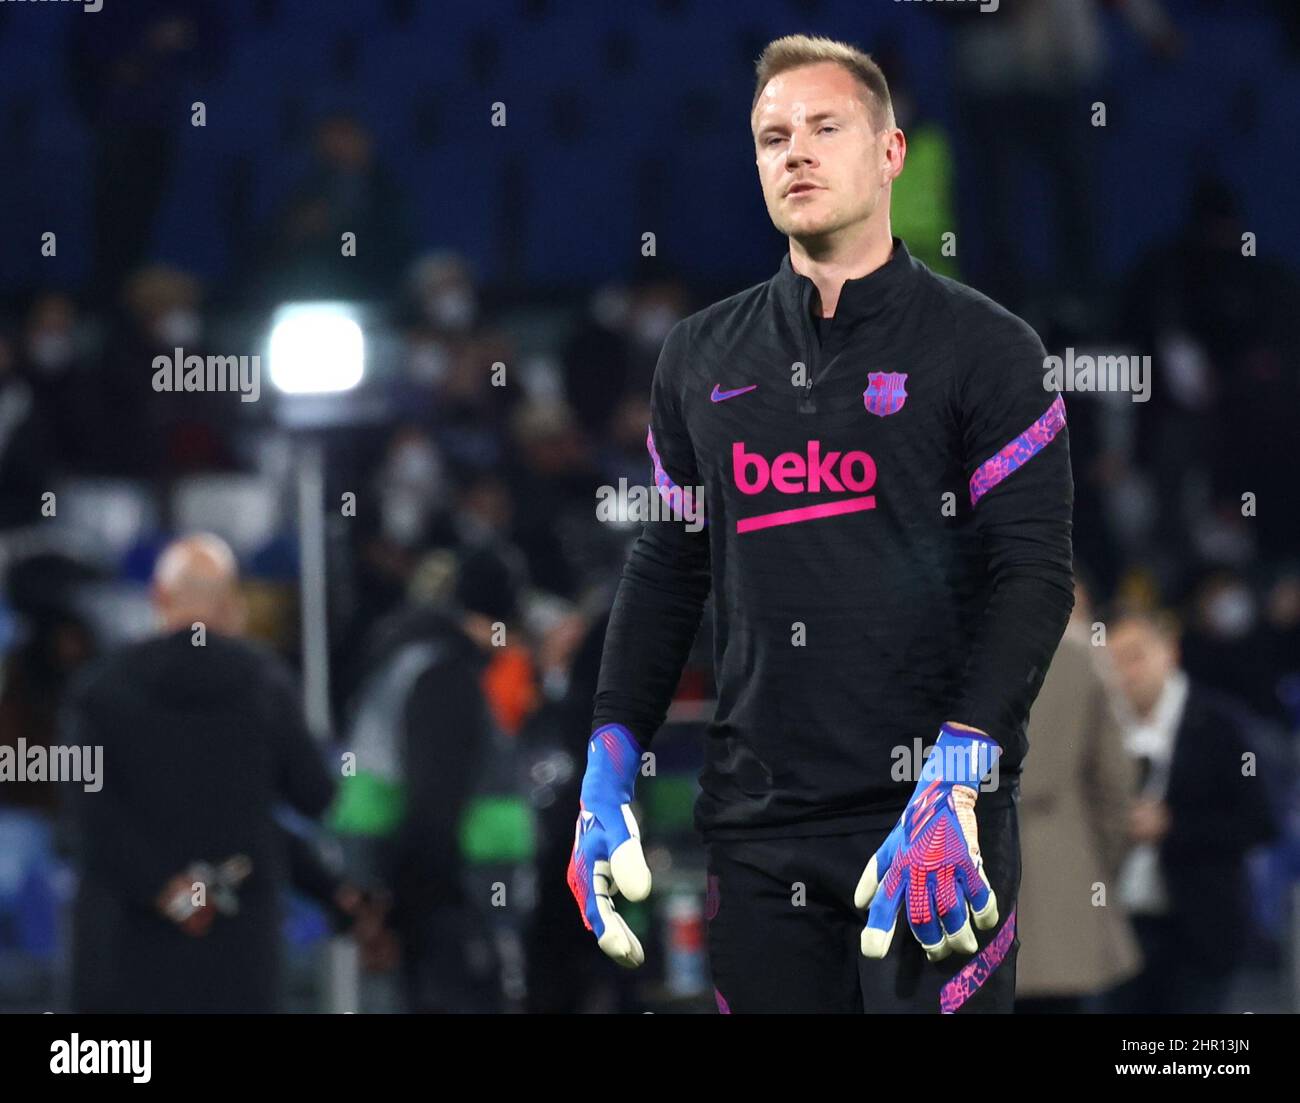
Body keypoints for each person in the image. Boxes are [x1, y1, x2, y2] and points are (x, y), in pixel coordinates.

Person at [567, 35, 1074, 1013]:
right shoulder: (697, 357)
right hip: (757, 835)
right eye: (771, 136)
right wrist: (607, 763)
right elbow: (668, 571)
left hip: (932, 827)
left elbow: (1033, 577)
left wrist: (958, 773)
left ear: (890, 152)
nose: (793, 152)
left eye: (824, 127)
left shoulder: (989, 351)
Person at [59, 534, 337, 1011]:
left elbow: (86, 816)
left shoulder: (98, 690)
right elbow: (314, 794)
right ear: (233, 606)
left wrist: (164, 889)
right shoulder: (267, 684)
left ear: (158, 599)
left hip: (126, 949)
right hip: (236, 951)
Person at [1102, 610, 1284, 1013]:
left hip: (1200, 931)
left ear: (1169, 652)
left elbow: (1260, 822)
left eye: (1135, 656)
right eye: (1113, 660)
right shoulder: (1103, 729)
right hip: (1120, 932)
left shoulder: (1222, 726)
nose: (1124, 672)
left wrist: (1172, 826)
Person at [1014, 578, 1141, 1012]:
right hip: (1066, 878)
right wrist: (1101, 861)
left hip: (959, 883)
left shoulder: (942, 645)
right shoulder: (1082, 658)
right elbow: (1115, 780)